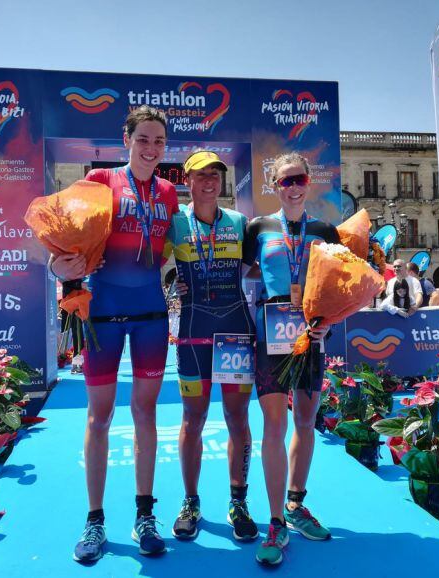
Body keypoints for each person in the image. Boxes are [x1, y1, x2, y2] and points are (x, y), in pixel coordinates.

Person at [51, 106, 179, 562]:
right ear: (126, 140)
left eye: (159, 142)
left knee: (146, 414)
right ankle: (95, 520)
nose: (150, 148)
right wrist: (63, 269)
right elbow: (62, 241)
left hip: (150, 313)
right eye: (143, 139)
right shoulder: (101, 181)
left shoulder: (168, 192)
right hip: (102, 312)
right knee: (98, 417)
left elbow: (169, 251)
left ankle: (145, 515)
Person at [243, 153, 337, 566]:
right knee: (274, 424)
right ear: (275, 187)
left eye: (299, 178)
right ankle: (276, 520)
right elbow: (245, 275)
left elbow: (337, 286)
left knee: (304, 419)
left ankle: (297, 505)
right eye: (285, 181)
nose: (293, 186)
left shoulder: (325, 230)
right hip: (271, 333)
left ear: (308, 181)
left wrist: (327, 324)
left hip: (312, 333)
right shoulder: (258, 228)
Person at [164, 151, 258, 543]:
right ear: (187, 180)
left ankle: (238, 501)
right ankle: (190, 501)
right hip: (191, 333)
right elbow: (153, 266)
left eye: (216, 175)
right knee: (193, 418)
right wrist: (170, 286)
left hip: (235, 331)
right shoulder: (174, 224)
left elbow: (258, 267)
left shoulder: (239, 222)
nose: (210, 182)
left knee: (237, 419)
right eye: (202, 175)